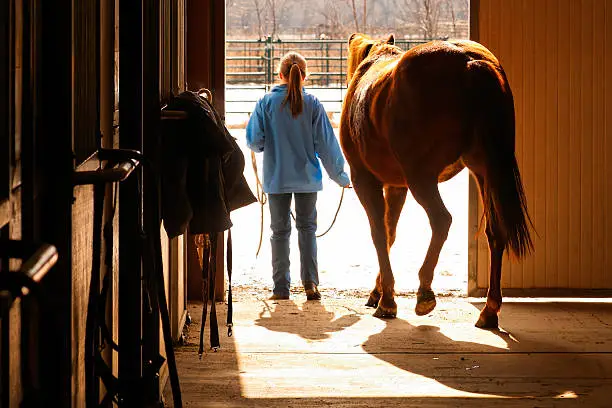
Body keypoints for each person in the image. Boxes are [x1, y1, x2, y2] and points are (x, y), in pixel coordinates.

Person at [246, 51, 350, 301]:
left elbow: (254, 141)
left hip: (277, 179)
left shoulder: (265, 103)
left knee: (279, 233)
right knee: (307, 230)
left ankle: (281, 289)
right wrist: (340, 176)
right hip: (307, 179)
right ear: (304, 76)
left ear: (280, 75)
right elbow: (326, 144)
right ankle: (310, 284)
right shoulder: (313, 104)